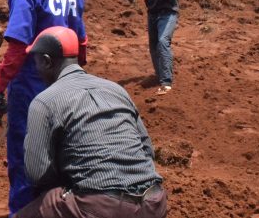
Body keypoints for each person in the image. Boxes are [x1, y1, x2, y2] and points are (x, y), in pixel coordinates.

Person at [13, 26, 167, 218]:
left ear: (46, 61)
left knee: (35, 209)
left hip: (102, 208)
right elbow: (147, 150)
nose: (35, 68)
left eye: (35, 62)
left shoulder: (44, 101)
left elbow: (37, 174)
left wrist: (69, 180)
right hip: (154, 202)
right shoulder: (116, 90)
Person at [0, 0, 87, 215]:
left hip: (32, 87)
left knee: (25, 154)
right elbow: (81, 43)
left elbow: (18, 47)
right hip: (68, 85)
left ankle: (23, 211)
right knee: (64, 152)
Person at [128, 0, 180, 96]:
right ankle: (159, 74)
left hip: (168, 12)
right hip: (152, 13)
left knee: (163, 42)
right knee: (153, 46)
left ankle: (166, 82)